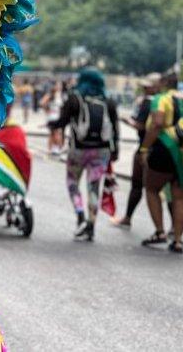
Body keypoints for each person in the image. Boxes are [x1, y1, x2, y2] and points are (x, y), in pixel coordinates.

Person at [137, 73, 183, 254]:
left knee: (152, 189)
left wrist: (144, 149)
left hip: (164, 150)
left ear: (163, 84)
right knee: (181, 198)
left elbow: (157, 123)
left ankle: (160, 231)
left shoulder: (161, 100)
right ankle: (178, 240)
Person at [48, 68, 120, 241]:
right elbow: (115, 128)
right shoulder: (109, 100)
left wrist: (50, 124)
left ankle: (80, 213)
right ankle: (91, 225)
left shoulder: (74, 99)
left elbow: (62, 122)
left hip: (78, 149)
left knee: (72, 182)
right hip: (101, 151)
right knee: (94, 187)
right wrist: (115, 150)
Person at [112, 73, 161, 227]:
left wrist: (126, 120)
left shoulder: (148, 103)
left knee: (138, 184)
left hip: (146, 146)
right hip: (165, 148)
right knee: (169, 191)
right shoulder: (164, 102)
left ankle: (128, 217)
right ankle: (173, 229)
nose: (145, 89)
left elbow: (140, 125)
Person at [43, 80, 67, 156]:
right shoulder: (51, 95)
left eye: (60, 85)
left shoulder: (63, 95)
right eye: (57, 85)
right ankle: (54, 148)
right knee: (55, 133)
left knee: (55, 133)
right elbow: (43, 103)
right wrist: (47, 110)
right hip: (53, 116)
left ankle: (54, 148)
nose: (59, 87)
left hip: (58, 116)